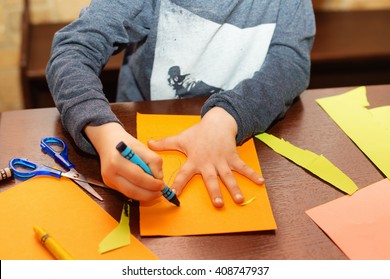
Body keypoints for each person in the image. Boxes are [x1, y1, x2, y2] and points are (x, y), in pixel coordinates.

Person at [46, 0, 315, 208]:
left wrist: (228, 116)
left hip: (242, 140)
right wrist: (103, 132)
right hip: (147, 143)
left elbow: (290, 63)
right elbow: (72, 52)